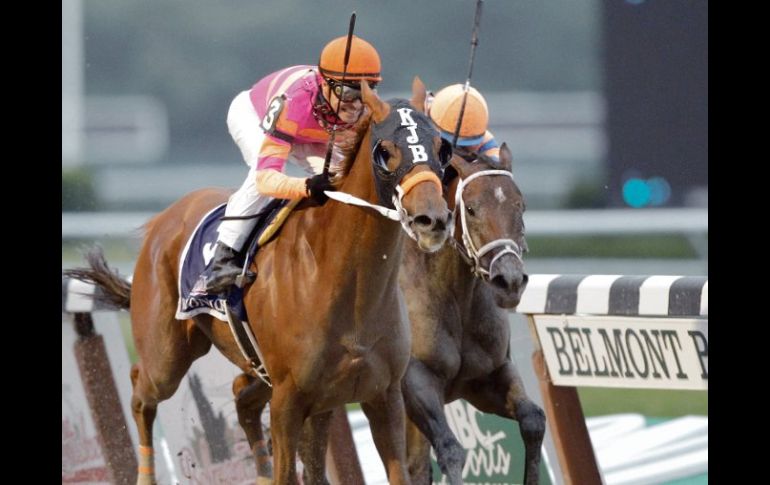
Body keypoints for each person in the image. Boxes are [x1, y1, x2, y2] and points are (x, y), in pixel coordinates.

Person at [202, 35, 382, 294]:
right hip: (255, 114)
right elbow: (266, 178)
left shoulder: (364, 109)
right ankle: (223, 258)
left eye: (365, 93)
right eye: (347, 92)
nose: (356, 105)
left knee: (341, 181)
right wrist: (307, 186)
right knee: (257, 177)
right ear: (325, 84)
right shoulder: (294, 103)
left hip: (313, 132)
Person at [425, 84, 500, 160]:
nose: (456, 151)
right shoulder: (416, 116)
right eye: (446, 141)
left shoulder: (485, 143)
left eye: (465, 148)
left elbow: (496, 161)